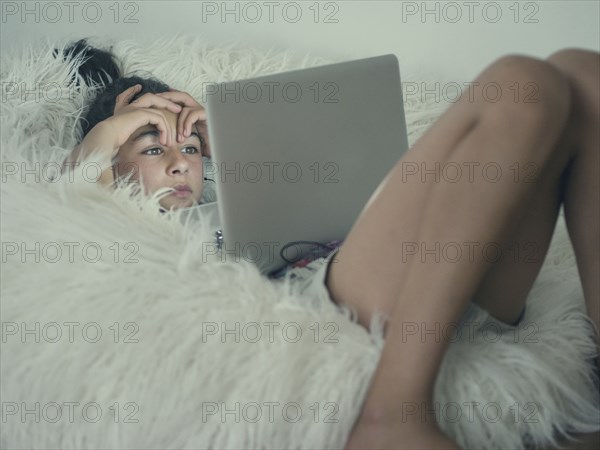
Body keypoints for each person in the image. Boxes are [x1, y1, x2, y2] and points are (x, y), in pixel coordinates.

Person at [61, 39, 599, 449]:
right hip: (332, 300)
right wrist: (106, 134)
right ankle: (389, 414)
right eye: (152, 147)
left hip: (439, 290)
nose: (181, 159)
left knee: (581, 74)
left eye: (191, 145)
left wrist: (225, 135)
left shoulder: (239, 193)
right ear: (109, 161)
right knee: (520, 81)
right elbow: (61, 205)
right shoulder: (123, 226)